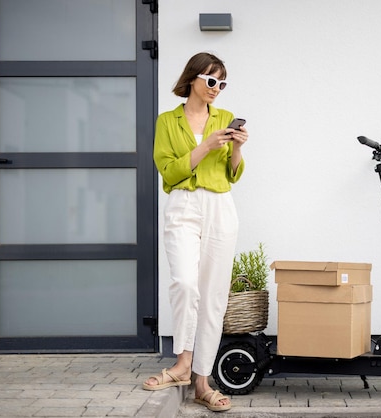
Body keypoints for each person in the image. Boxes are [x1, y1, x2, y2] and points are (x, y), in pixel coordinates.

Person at [143, 52, 247, 413]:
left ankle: (202, 380)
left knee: (213, 294)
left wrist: (235, 148)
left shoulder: (223, 119)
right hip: (184, 205)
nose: (217, 89)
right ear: (193, 79)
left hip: (220, 206)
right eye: (212, 81)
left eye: (223, 83)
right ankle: (182, 364)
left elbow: (233, 174)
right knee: (185, 283)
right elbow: (169, 172)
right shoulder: (167, 121)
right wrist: (204, 146)